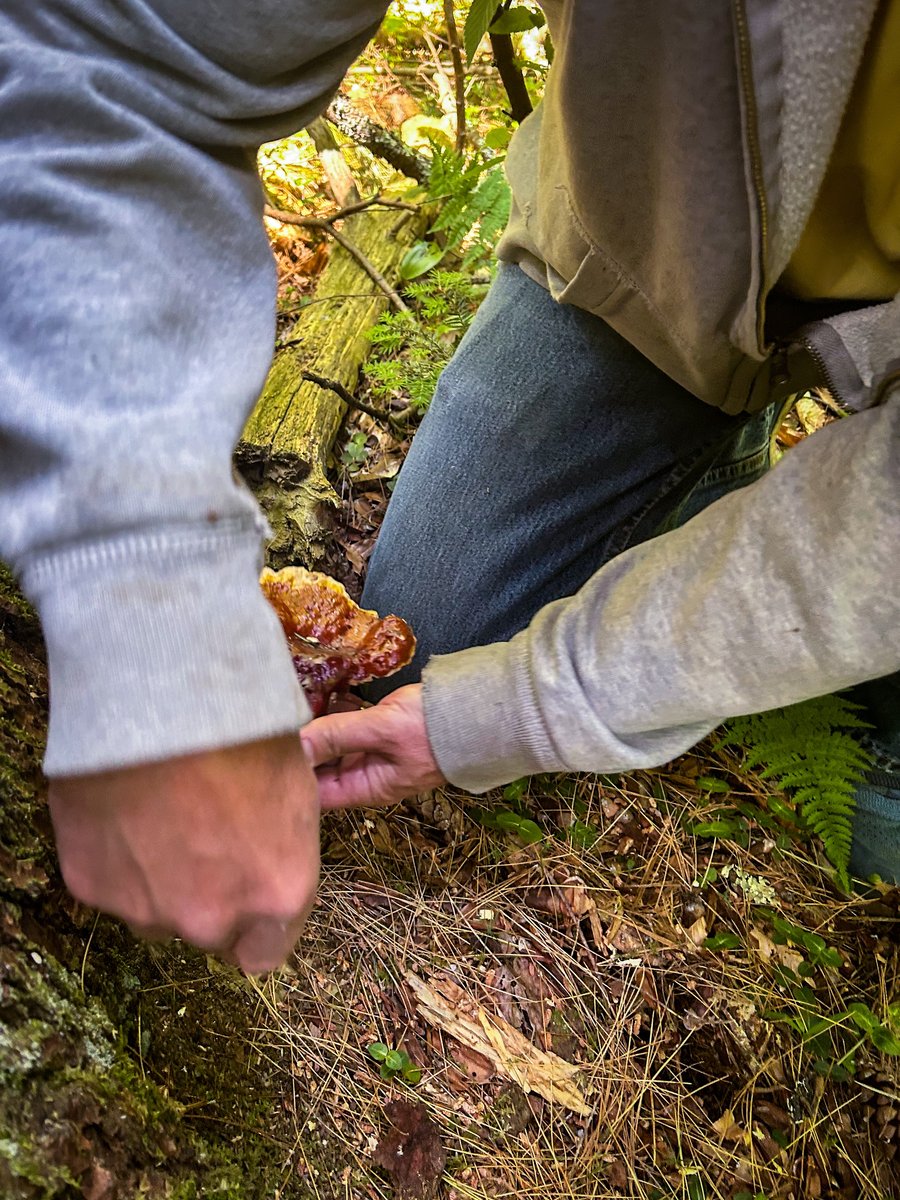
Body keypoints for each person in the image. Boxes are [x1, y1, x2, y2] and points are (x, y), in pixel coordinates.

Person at [1, 1, 897, 977]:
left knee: (875, 829)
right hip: (640, 263)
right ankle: (703, 464)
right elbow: (125, 57)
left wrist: (530, 702)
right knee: (421, 650)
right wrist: (144, 595)